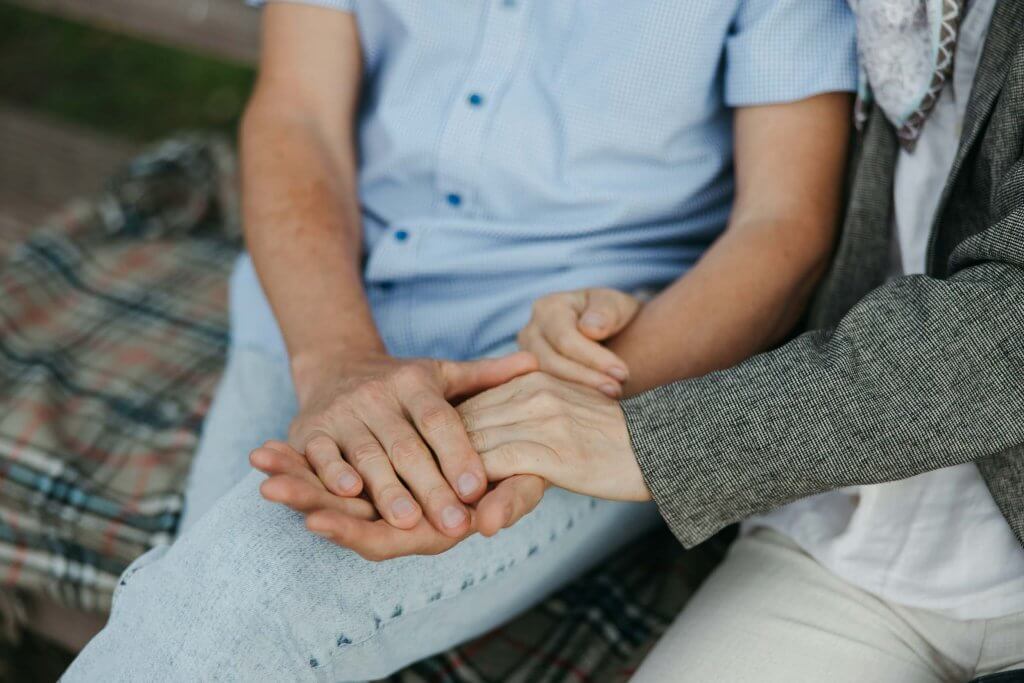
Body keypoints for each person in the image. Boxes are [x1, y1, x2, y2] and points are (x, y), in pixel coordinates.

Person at [63, 0, 857, 679]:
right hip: (317, 301)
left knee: (247, 590)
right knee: (202, 613)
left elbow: (783, 229)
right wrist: (337, 357)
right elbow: (297, 113)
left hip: (582, 355)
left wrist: (561, 413)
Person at [260, 1, 1024, 679]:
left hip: (972, 517)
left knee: (258, 598)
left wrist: (645, 435)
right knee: (254, 582)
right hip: (840, 525)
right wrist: (622, 320)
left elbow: (987, 313)